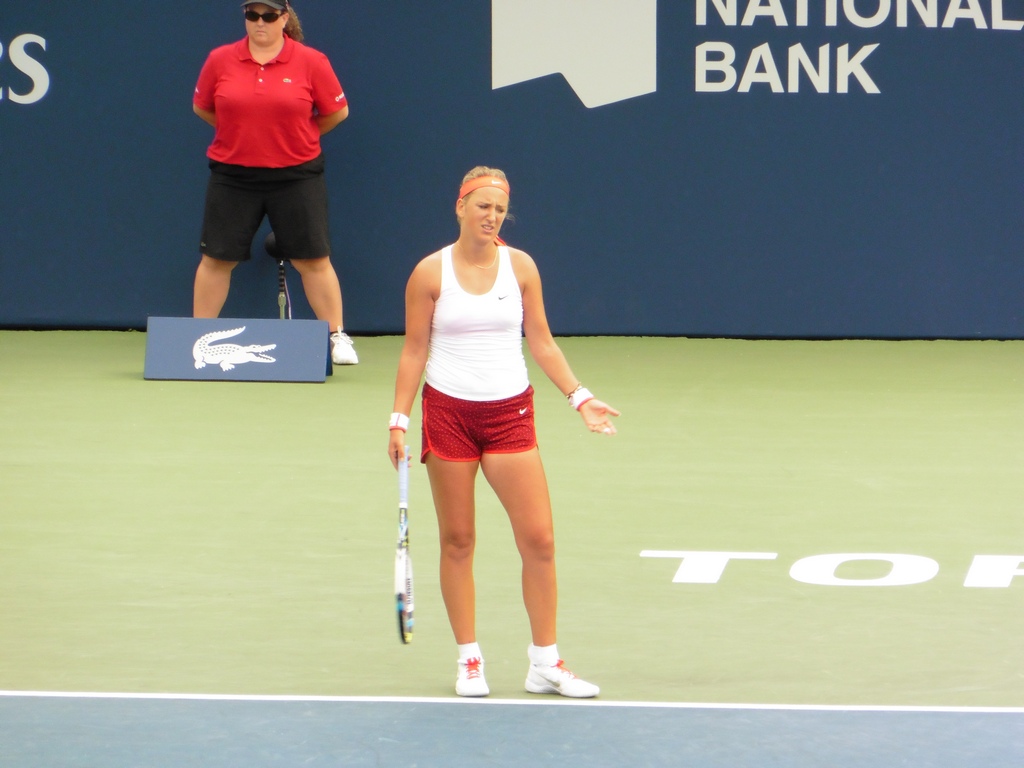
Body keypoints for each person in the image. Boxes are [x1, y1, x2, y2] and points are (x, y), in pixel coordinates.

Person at [387, 167, 620, 698]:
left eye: (499, 209)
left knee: (539, 539)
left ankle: (545, 662)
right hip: (447, 414)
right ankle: (470, 660)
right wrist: (399, 419)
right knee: (458, 539)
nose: (491, 217)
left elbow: (541, 342)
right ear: (461, 206)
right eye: (482, 206)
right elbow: (413, 350)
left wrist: (579, 397)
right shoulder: (429, 272)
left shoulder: (521, 268)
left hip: (509, 414)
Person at [191, 1, 358, 365]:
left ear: (284, 18)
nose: (260, 22)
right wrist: (240, 134)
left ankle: (337, 337)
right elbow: (203, 107)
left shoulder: (312, 61)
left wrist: (300, 136)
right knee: (216, 258)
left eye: (269, 16)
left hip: (296, 175)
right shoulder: (220, 59)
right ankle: (197, 338)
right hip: (233, 175)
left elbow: (336, 112)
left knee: (313, 258)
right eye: (252, 15)